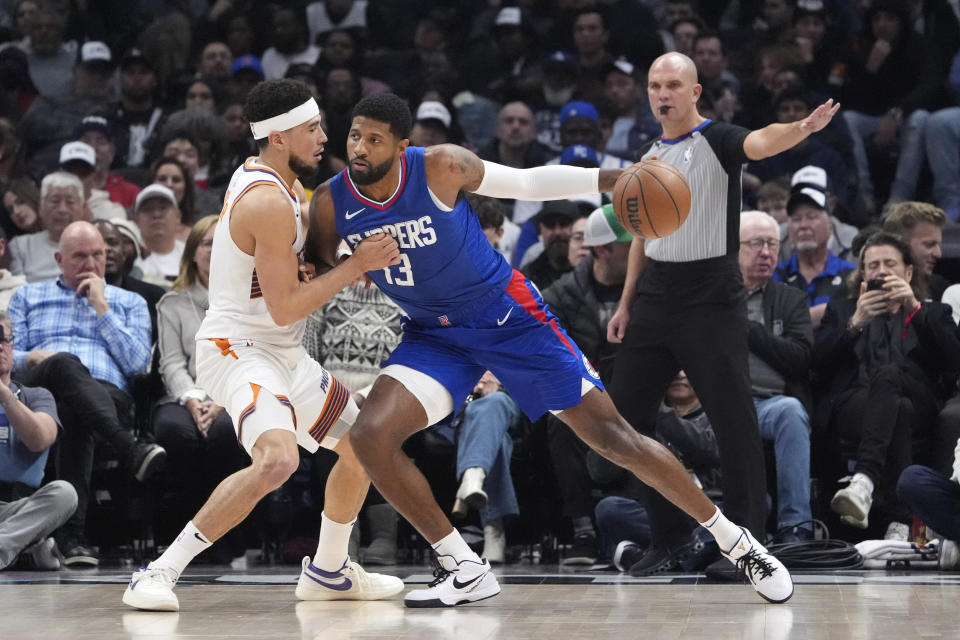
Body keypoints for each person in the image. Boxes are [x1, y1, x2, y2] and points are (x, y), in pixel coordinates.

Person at [310, 90, 794, 608]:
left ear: (401, 145)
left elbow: (527, 182)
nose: (359, 147)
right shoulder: (329, 202)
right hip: (433, 334)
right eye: (354, 136)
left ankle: (737, 542)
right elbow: (318, 268)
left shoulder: (441, 166)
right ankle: (463, 565)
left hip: (507, 317)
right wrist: (351, 263)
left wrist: (617, 179)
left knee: (615, 439)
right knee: (370, 437)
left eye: (374, 139)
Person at [122, 79, 403, 612]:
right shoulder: (269, 201)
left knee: (366, 447)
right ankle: (158, 571)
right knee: (277, 461)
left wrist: (321, 265)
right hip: (238, 348)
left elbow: (279, 283)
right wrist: (356, 266)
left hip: (283, 352)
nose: (325, 137)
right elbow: (287, 307)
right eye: (312, 128)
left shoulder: (275, 181)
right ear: (278, 137)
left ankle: (329, 570)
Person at [604, 52, 837, 578]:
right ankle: (671, 534)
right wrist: (626, 303)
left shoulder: (719, 139)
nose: (662, 94)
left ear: (695, 92)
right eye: (654, 85)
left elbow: (761, 141)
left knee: (734, 426)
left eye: (672, 85)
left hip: (711, 295)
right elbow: (642, 234)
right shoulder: (649, 155)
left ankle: (748, 548)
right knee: (618, 425)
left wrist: (801, 127)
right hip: (656, 298)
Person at [9, 220, 164, 566]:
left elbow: (138, 364)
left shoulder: (129, 302)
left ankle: (72, 538)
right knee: (64, 364)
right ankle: (130, 448)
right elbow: (9, 355)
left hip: (105, 396)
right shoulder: (28, 296)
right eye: (79, 256)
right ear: (59, 259)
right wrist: (30, 356)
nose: (90, 264)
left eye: (97, 254)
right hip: (38, 390)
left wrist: (102, 308)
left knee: (76, 410)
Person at [816, 232, 960, 537]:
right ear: (863, 274)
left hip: (921, 399)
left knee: (890, 376)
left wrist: (914, 308)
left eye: (889, 264)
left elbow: (953, 361)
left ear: (908, 272)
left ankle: (864, 481)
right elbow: (818, 367)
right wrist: (855, 324)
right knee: (898, 409)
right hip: (857, 403)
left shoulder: (934, 312)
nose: (881, 271)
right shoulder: (841, 311)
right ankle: (900, 521)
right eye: (873, 265)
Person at [151, 215, 249, 555]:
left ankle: (223, 539)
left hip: (233, 396)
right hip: (182, 396)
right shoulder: (172, 303)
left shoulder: (248, 299)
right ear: (192, 252)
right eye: (207, 244)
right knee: (176, 433)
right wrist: (194, 400)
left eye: (222, 243)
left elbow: (249, 356)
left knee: (225, 432)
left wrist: (221, 401)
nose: (214, 250)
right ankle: (180, 534)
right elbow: (171, 363)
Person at [738, 210, 814, 542]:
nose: (766, 253)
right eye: (756, 244)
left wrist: (748, 328)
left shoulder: (790, 299)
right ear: (733, 249)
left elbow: (800, 358)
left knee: (791, 412)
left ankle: (795, 527)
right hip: (716, 403)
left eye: (772, 244)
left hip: (768, 405)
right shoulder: (710, 298)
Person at [0, 311, 77, 572]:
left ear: (12, 346)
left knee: (65, 492)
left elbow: (39, 439)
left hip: (19, 509)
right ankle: (28, 549)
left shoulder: (36, 396)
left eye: (2, 339)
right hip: (21, 523)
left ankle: (12, 546)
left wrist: (3, 394)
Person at [774, 166, 855, 328]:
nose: (803, 225)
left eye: (812, 217)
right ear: (789, 229)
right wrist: (830, 312)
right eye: (796, 219)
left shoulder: (852, 275)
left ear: (830, 226)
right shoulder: (775, 277)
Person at [8, 171, 85, 283]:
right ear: (41, 207)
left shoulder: (95, 246)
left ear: (82, 208)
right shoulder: (20, 246)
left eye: (70, 202)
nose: (62, 209)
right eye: (55, 201)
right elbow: (16, 293)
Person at [881, 202, 948, 301]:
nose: (938, 254)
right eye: (929, 244)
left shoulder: (941, 289)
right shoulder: (865, 290)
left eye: (938, 245)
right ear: (900, 244)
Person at [132, 184, 185, 290]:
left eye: (163, 208)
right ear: (136, 221)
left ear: (178, 217)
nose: (156, 214)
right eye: (148, 209)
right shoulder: (131, 258)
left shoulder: (192, 255)